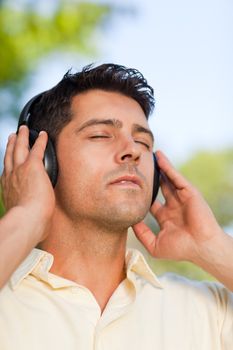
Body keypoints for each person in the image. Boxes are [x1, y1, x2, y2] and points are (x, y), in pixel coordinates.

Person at [0, 63, 232, 349]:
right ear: (44, 162)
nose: (133, 150)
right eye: (100, 135)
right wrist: (26, 216)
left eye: (143, 141)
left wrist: (213, 247)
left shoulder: (210, 312)